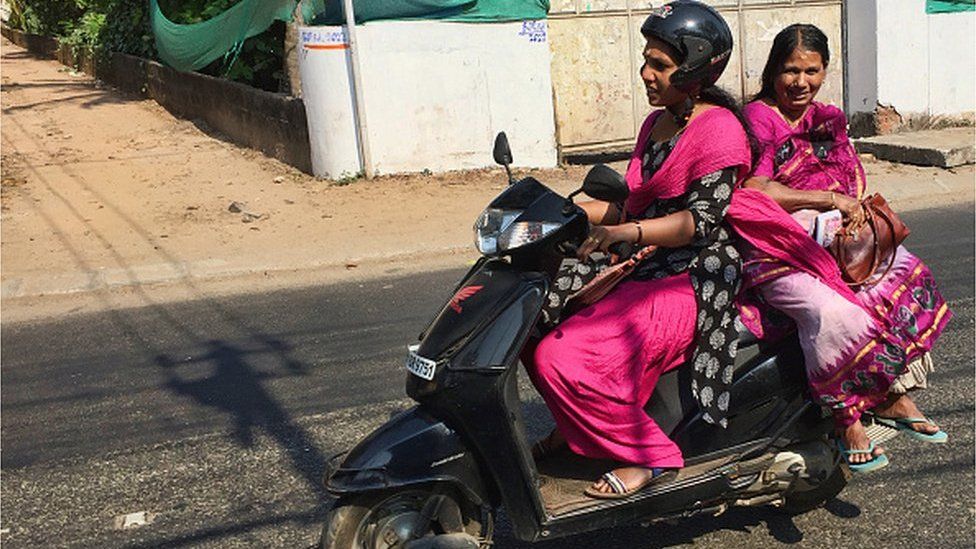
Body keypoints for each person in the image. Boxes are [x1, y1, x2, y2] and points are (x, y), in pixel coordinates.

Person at [524, 2, 752, 499]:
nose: (645, 74)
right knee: (530, 315)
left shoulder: (719, 131)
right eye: (646, 60)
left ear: (694, 71)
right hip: (643, 262)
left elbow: (699, 222)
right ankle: (579, 427)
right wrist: (550, 215)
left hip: (694, 274)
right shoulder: (657, 124)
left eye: (660, 65)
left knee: (564, 357)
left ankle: (648, 455)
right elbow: (626, 198)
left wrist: (627, 233)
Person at [734, 24, 951, 472]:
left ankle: (893, 395)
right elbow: (755, 190)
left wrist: (846, 212)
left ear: (825, 70)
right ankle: (846, 416)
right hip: (774, 247)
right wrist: (829, 200)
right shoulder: (758, 118)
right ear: (774, 70)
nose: (800, 82)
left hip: (831, 243)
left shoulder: (825, 119)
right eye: (790, 70)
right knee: (834, 315)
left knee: (902, 276)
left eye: (811, 71)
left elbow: (848, 178)